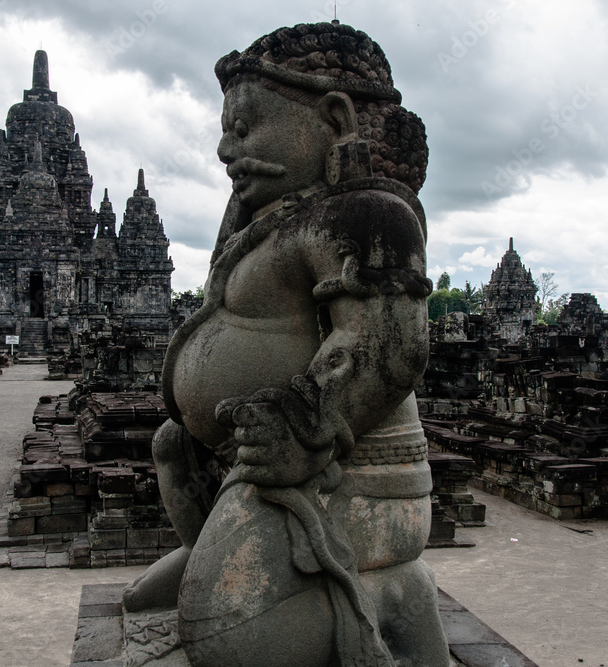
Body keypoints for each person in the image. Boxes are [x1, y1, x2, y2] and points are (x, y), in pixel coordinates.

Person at [124, 21, 449, 666]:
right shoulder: (280, 219)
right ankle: (216, 543)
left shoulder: (368, 217)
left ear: (333, 122)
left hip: (348, 476)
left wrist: (304, 423)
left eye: (245, 128)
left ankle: (375, 593)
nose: (225, 149)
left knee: (228, 639)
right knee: (171, 446)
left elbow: (388, 347)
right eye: (225, 131)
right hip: (253, 467)